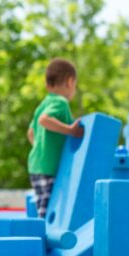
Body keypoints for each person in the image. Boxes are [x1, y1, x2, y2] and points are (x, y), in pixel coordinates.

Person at [27, 58, 84, 219]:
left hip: (36, 165)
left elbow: (31, 132)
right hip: (48, 168)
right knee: (48, 213)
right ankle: (41, 242)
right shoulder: (60, 102)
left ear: (48, 85)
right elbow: (43, 120)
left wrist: (41, 149)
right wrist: (70, 131)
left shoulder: (44, 103)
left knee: (43, 206)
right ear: (70, 82)